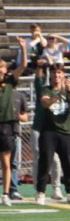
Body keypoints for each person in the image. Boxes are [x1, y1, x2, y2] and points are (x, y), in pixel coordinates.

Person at [34, 63, 70, 205]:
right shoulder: (46, 89)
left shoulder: (68, 90)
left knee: (68, 164)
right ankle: (41, 192)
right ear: (51, 75)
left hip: (65, 131)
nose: (57, 76)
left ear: (63, 75)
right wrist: (58, 94)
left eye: (60, 73)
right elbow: (45, 103)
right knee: (46, 162)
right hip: (49, 131)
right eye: (55, 73)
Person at [0, 58, 28, 206]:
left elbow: (23, 65)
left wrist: (23, 48)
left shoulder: (10, 83)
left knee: (6, 163)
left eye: (2, 67)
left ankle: (5, 193)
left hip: (6, 127)